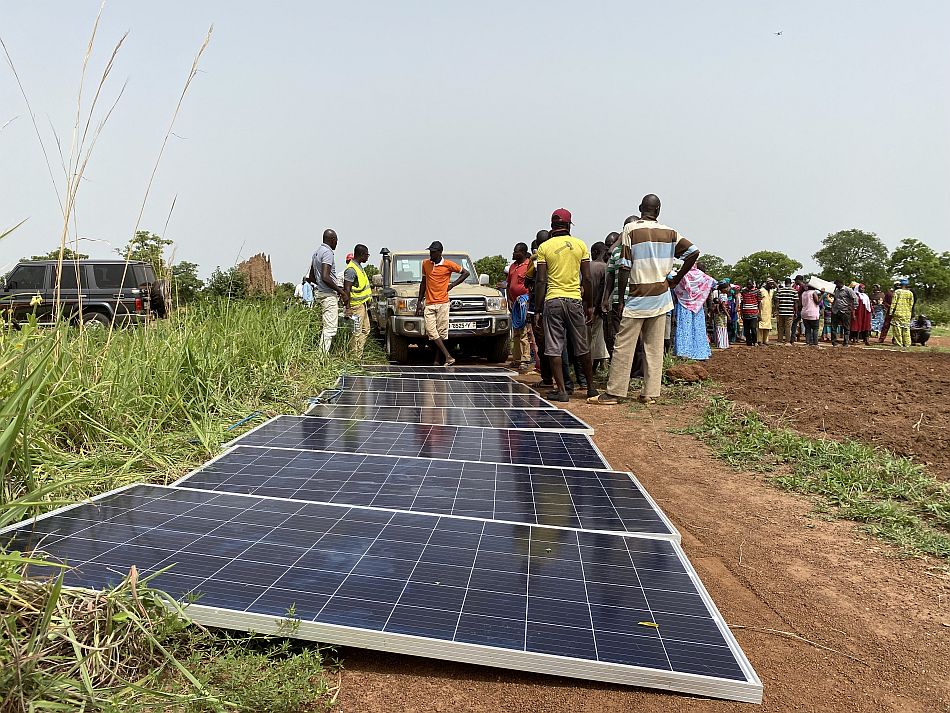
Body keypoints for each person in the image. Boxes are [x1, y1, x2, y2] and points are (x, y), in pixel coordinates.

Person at [589, 194, 699, 406]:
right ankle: (650, 393)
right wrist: (676, 278)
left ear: (640, 208)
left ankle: (615, 393)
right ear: (658, 210)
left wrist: (620, 299)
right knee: (654, 347)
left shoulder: (631, 229)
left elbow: (623, 265)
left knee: (623, 346)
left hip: (638, 296)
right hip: (661, 296)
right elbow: (693, 252)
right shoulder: (670, 232)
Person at [533, 208, 597, 402]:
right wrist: (590, 305)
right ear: (569, 225)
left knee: (554, 347)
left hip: (553, 301)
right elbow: (587, 277)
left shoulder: (544, 247)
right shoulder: (580, 245)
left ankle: (561, 391)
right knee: (582, 346)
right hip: (575, 300)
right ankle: (591, 388)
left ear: (552, 225)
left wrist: (537, 309)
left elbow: (541, 281)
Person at [415, 240, 470, 365]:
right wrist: (419, 302)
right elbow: (423, 283)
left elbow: (466, 273)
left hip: (443, 303)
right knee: (431, 331)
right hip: (429, 303)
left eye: (433, 252)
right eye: (430, 251)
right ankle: (448, 356)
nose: (430, 254)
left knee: (441, 333)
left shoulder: (448, 265)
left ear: (440, 253)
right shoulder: (425, 264)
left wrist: (452, 285)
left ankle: (437, 360)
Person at [673, 263, 716, 360]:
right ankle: (701, 353)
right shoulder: (701, 276)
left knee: (684, 328)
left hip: (684, 305)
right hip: (698, 306)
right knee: (698, 327)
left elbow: (675, 285)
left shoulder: (683, 274)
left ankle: (683, 352)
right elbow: (713, 282)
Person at [311, 228, 345, 351]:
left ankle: (321, 355)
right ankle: (322, 358)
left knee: (324, 327)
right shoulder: (327, 253)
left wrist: (321, 283)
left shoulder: (316, 253)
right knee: (330, 329)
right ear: (332, 239)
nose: (337, 243)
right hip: (328, 295)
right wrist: (341, 291)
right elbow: (325, 276)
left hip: (320, 293)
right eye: (336, 240)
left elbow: (311, 277)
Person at [342, 244, 372, 359]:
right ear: (361, 254)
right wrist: (347, 308)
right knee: (356, 333)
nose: (368, 257)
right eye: (367, 254)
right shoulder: (351, 270)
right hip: (355, 307)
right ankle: (353, 358)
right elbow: (347, 290)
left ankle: (358, 356)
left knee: (365, 330)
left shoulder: (359, 267)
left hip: (362, 305)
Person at [506, 242, 533, 370]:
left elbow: (531, 286)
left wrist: (527, 302)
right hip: (514, 303)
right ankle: (516, 359)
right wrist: (509, 301)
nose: (513, 253)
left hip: (524, 302)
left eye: (515, 251)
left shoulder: (529, 266)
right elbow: (508, 285)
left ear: (522, 253)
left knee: (523, 332)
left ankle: (525, 359)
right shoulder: (513, 266)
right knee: (516, 332)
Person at [588, 241, 610, 370]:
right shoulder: (606, 267)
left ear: (595, 252)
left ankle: (592, 368)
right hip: (601, 308)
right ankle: (599, 367)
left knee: (591, 339)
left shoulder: (588, 267)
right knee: (599, 339)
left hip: (588, 307)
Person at [830, 279, 857, 347]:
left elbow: (855, 298)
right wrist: (833, 307)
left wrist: (853, 308)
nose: (835, 286)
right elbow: (835, 299)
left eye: (836, 284)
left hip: (845, 311)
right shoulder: (836, 290)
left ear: (840, 283)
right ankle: (834, 342)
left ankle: (846, 342)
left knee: (846, 327)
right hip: (836, 311)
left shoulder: (848, 290)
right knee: (833, 327)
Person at [890, 280, 915, 348]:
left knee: (897, 329)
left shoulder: (897, 292)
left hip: (898, 312)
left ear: (900, 285)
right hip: (907, 313)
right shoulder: (910, 293)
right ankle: (907, 343)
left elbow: (894, 302)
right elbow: (911, 304)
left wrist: (891, 311)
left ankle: (899, 343)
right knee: (906, 329)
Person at [774, 278, 797, 343]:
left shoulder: (780, 290)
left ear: (784, 283)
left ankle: (780, 340)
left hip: (781, 311)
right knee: (788, 327)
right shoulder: (794, 291)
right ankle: (787, 341)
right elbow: (795, 302)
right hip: (789, 312)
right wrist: (795, 312)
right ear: (791, 283)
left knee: (780, 327)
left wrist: (776, 310)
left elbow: (777, 301)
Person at [739, 279, 761, 346]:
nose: (748, 285)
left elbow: (759, 302)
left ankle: (755, 341)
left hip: (754, 313)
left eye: (750, 284)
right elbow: (742, 303)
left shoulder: (757, 291)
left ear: (753, 284)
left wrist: (759, 313)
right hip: (745, 313)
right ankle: (748, 342)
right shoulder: (743, 291)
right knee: (746, 329)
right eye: (747, 284)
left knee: (753, 328)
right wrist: (741, 313)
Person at [711, 282, 731, 349]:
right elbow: (723, 306)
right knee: (721, 327)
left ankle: (722, 343)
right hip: (722, 314)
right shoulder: (723, 296)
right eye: (728, 287)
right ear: (723, 289)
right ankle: (722, 344)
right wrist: (728, 315)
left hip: (721, 314)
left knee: (721, 327)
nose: (729, 288)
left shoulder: (723, 295)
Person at [758, 278, 776, 345]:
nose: (772, 285)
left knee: (767, 327)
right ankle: (759, 340)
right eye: (771, 284)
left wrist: (773, 311)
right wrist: (759, 312)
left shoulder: (771, 291)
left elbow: (772, 301)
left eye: (772, 284)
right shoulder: (761, 290)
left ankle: (765, 340)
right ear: (767, 284)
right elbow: (759, 302)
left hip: (768, 311)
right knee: (761, 327)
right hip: (762, 311)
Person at [790, 275, 806, 342]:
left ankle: (808, 338)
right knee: (795, 323)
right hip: (798, 307)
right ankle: (793, 337)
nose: (795, 282)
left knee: (805, 323)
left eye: (796, 280)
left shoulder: (803, 286)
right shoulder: (796, 286)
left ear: (798, 280)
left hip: (803, 307)